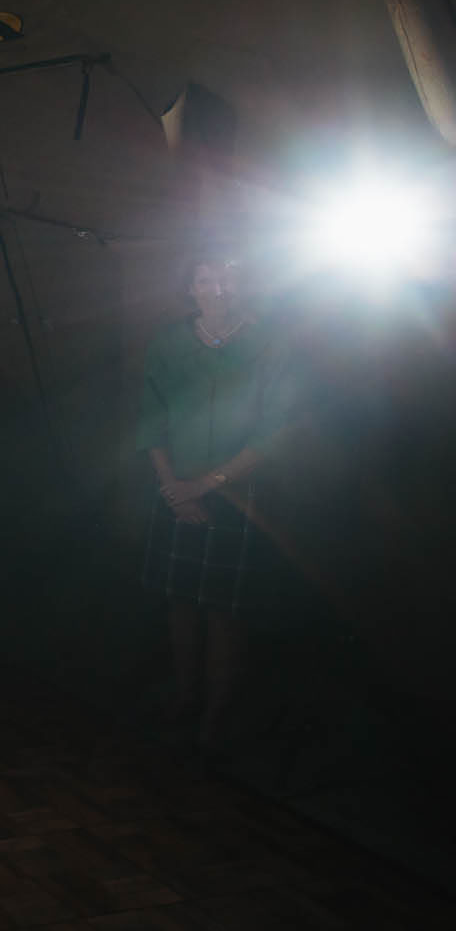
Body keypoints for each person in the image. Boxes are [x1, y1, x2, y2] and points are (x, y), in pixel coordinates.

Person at [137, 254, 294, 753]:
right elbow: (150, 419)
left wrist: (206, 485)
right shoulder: (166, 343)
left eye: (228, 278)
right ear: (190, 287)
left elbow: (274, 432)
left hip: (236, 492)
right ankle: (186, 697)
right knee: (179, 600)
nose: (216, 289)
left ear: (243, 284)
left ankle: (216, 717)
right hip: (173, 485)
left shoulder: (268, 344)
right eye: (204, 279)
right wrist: (173, 489)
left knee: (223, 609)